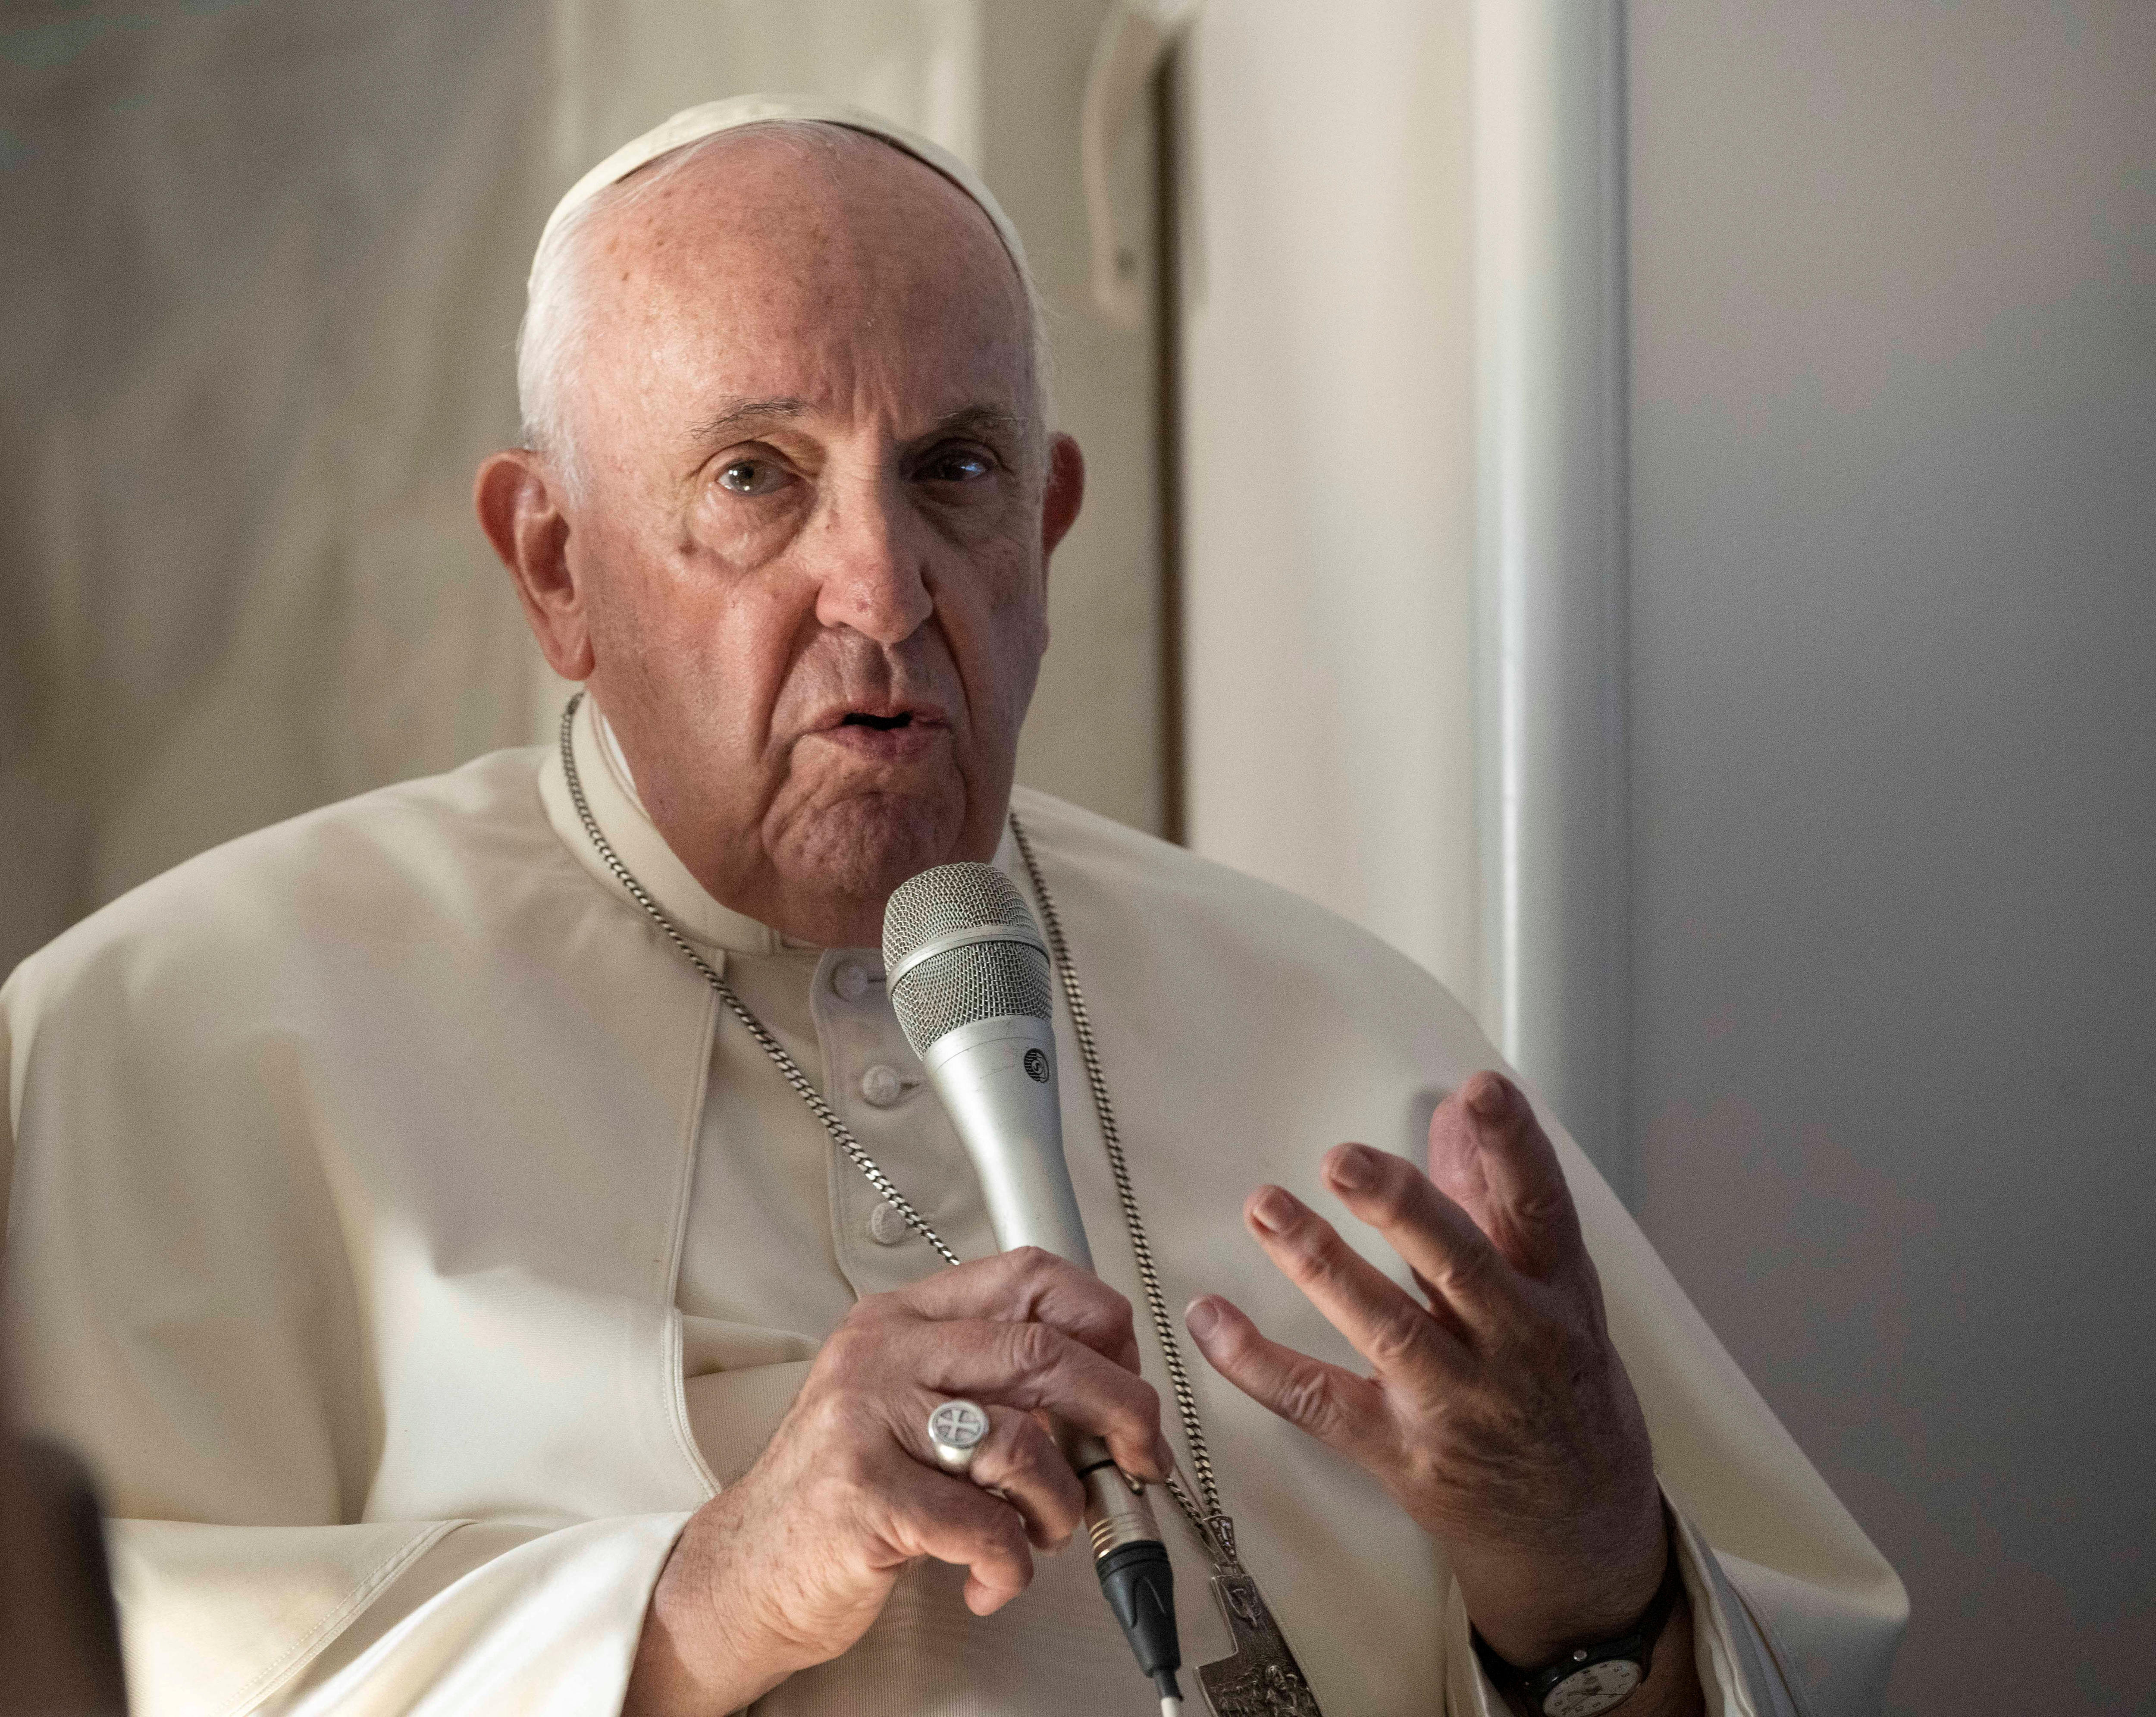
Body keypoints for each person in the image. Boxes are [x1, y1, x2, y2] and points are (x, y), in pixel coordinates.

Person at [0, 97, 1905, 1717]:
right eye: (756, 477)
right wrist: (688, 1606)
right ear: (555, 565)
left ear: (1047, 530)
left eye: (954, 474)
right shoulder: (164, 1041)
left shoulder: (1353, 1041)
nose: (883, 588)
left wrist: (1589, 1591)